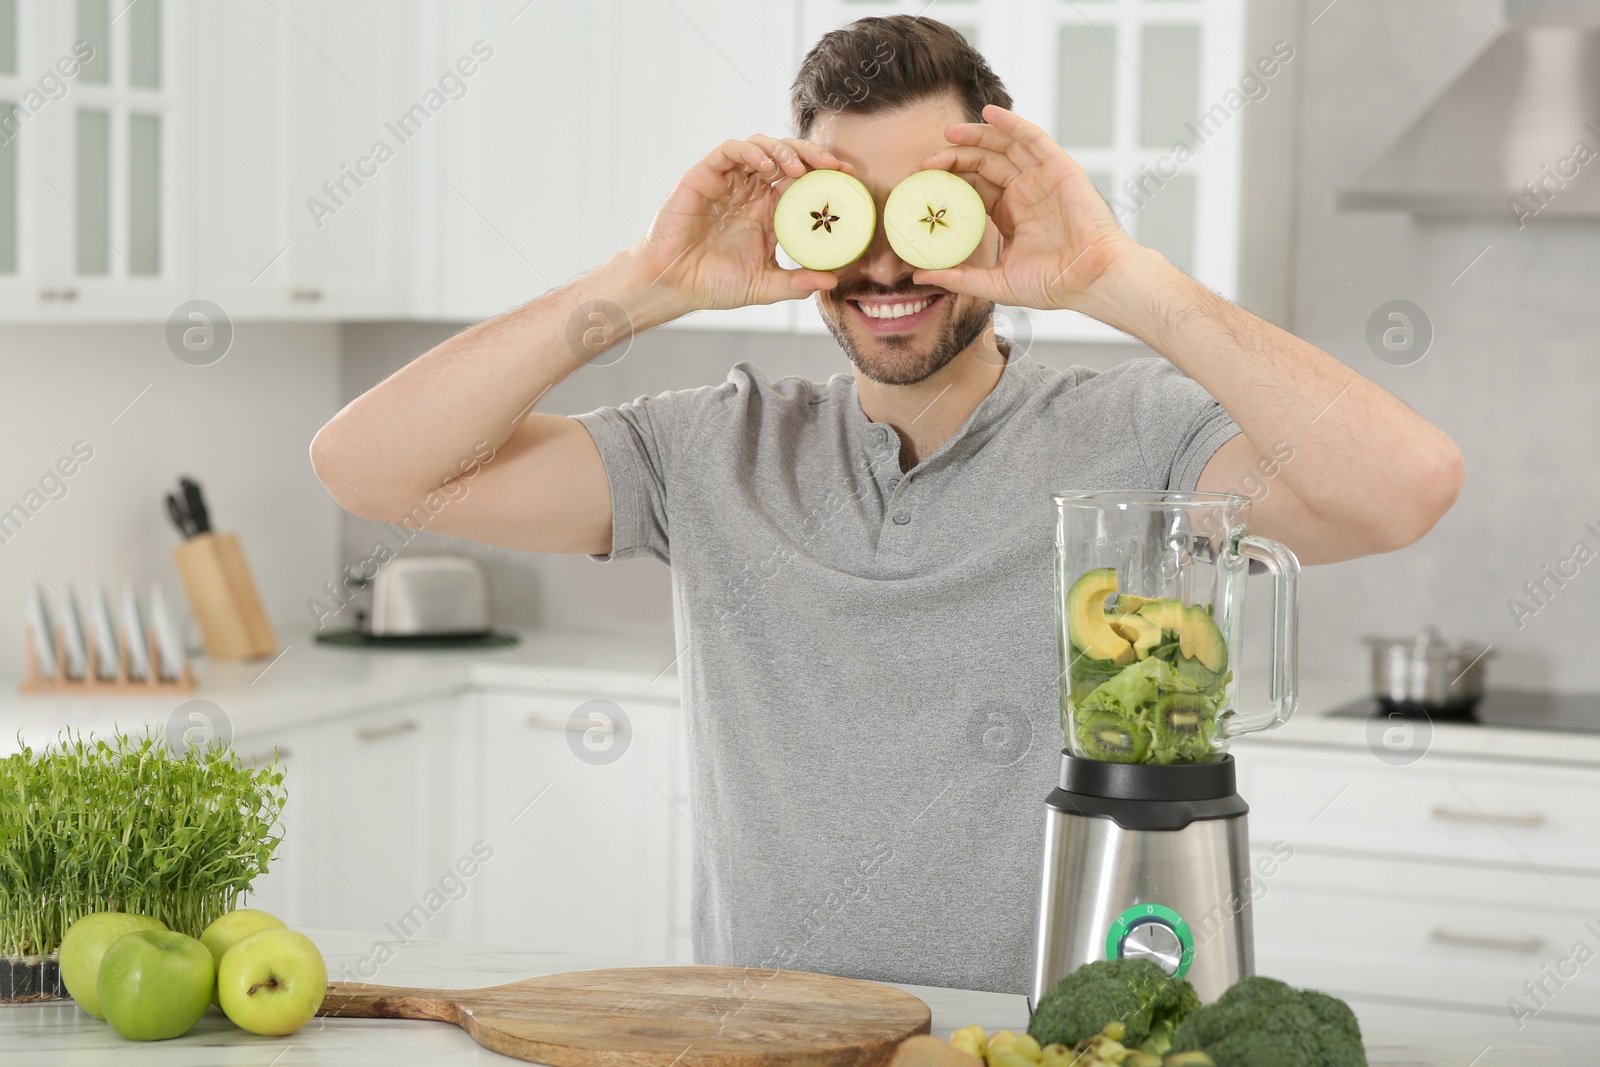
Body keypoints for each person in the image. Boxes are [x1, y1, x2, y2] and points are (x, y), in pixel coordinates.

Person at [310, 16, 1462, 992]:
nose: (889, 264)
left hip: (1040, 1048)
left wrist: (1115, 273)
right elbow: (371, 468)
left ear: (991, 213)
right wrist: (647, 282)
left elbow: (1401, 489)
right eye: (845, 208)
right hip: (773, 1044)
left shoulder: (1135, 439)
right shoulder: (715, 446)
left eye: (929, 208)